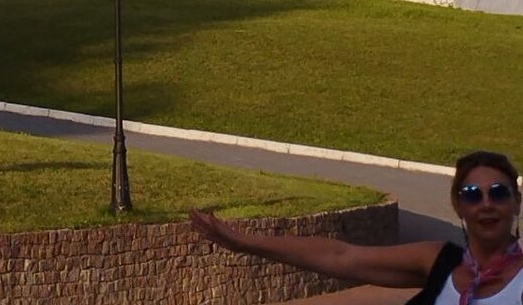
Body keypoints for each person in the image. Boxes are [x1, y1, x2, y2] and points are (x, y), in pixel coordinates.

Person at [190, 151, 522, 304]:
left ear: (517, 203)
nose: (486, 203)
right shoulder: (440, 261)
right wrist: (244, 243)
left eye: (499, 192)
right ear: (459, 206)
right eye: (472, 195)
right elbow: (341, 256)